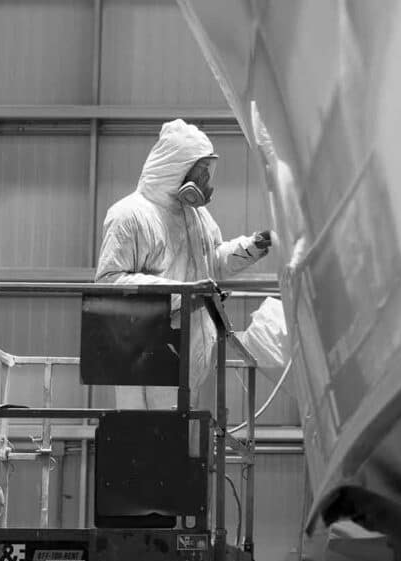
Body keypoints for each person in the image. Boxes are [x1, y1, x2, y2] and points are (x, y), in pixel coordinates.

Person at [96, 119, 274, 410]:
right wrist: (183, 292)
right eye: (202, 172)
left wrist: (252, 247)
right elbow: (108, 282)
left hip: (192, 359)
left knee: (187, 446)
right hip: (145, 355)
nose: (206, 182)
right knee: (146, 442)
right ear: (177, 166)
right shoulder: (130, 215)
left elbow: (212, 263)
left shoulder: (196, 217)